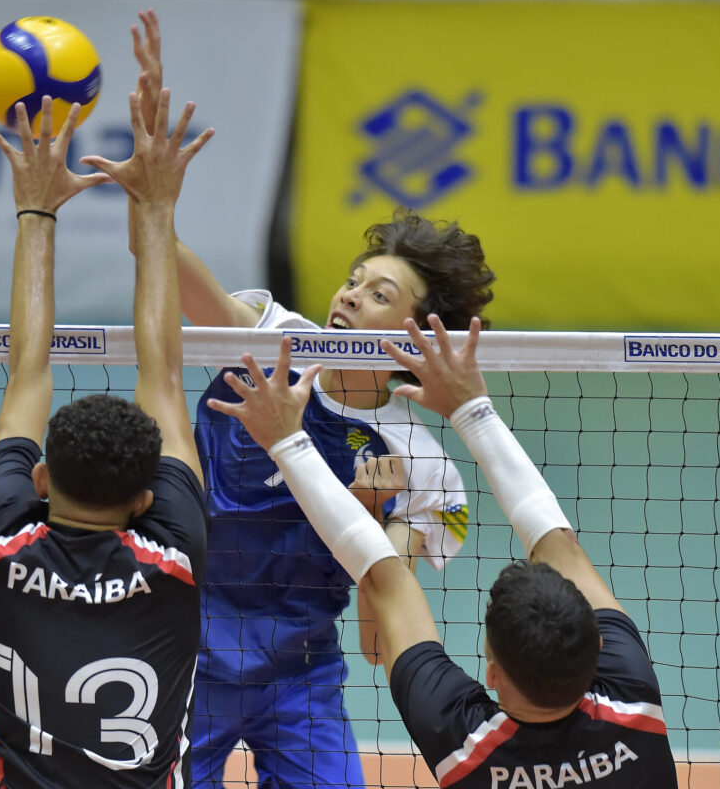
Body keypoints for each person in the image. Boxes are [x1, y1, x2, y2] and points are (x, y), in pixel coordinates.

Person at [129, 9, 496, 787]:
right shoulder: (273, 332)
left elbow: (383, 622)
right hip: (185, 651)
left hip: (301, 675)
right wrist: (151, 200)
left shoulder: (419, 459)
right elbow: (173, 276)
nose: (351, 297)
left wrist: (382, 525)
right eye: (355, 280)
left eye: (380, 293)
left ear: (416, 327)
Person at [207, 316, 679, 788]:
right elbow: (385, 574)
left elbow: (386, 581)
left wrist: (284, 440)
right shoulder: (632, 703)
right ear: (600, 647)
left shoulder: (465, 740)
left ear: (492, 674)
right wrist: (291, 442)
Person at [0, 92, 212, 787]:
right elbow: (163, 376)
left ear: (40, 481)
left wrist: (36, 210)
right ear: (144, 499)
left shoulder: (0, 542)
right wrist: (158, 210)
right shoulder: (174, 553)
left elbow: (28, 374)